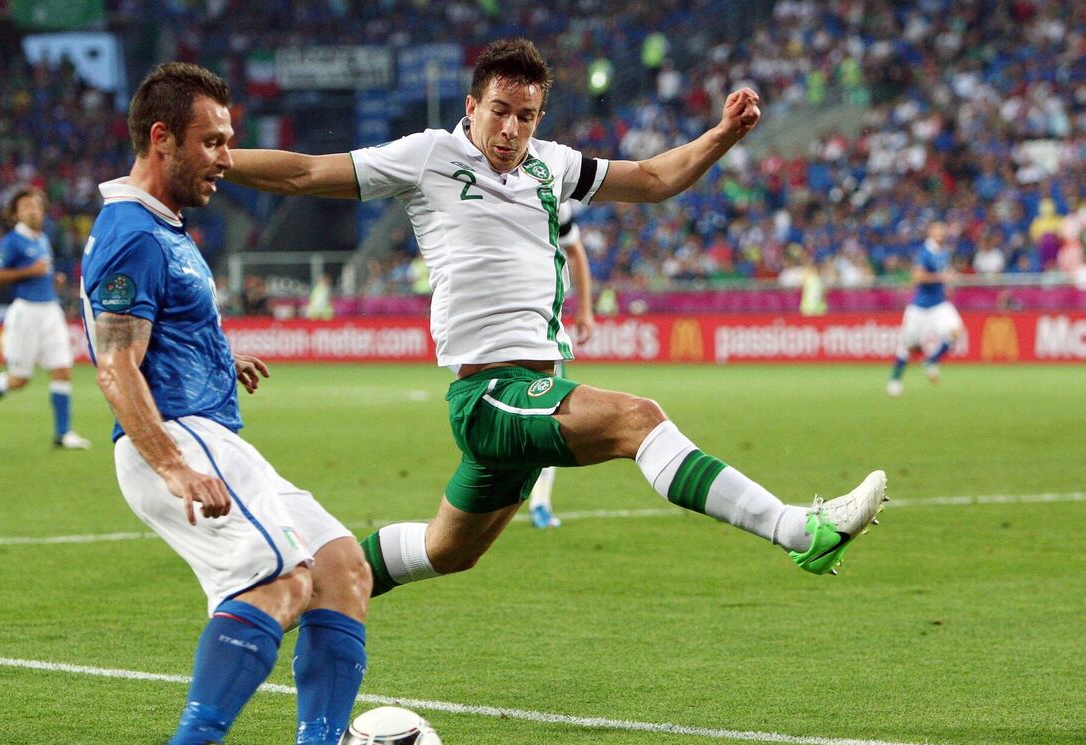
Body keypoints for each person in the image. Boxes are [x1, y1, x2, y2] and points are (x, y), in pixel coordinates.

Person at [227, 38, 886, 600]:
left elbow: (653, 180)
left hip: (529, 391)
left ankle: (311, 590)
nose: (511, 129)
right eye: (500, 112)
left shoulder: (552, 164)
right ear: (471, 108)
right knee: (639, 419)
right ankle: (802, 532)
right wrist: (218, 159)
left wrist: (721, 136)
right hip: (489, 395)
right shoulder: (429, 156)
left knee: (448, 551)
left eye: (527, 115)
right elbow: (306, 172)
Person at [79, 62, 371, 745]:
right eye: (211, 142)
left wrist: (218, 356)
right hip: (178, 440)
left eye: (230, 140)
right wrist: (174, 465)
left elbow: (162, 330)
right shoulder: (130, 231)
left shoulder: (167, 230)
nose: (225, 157)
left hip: (210, 431)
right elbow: (115, 363)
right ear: (161, 138)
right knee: (281, 578)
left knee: (341, 566)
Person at [0, 188, 91, 449]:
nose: (34, 209)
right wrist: (31, 271)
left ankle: (63, 434)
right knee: (19, 379)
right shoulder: (11, 241)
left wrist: (51, 279)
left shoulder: (43, 239)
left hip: (50, 309)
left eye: (37, 205)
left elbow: (39, 273)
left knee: (63, 369)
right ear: (15, 214)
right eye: (27, 206)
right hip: (26, 313)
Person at [528, 199, 596, 529]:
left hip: (543, 331)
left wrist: (584, 309)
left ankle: (540, 502)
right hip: (494, 335)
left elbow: (575, 250)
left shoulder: (553, 201)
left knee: (551, 417)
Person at [887, 220, 965, 397]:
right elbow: (917, 277)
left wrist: (948, 280)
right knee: (909, 346)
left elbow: (944, 275)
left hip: (939, 303)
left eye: (943, 231)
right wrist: (942, 277)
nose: (941, 233)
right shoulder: (924, 252)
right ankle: (895, 379)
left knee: (955, 331)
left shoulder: (944, 252)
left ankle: (931, 361)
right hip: (920, 307)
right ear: (930, 232)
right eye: (938, 231)